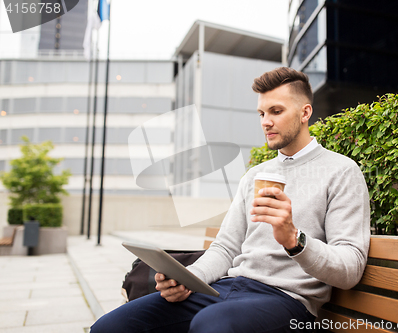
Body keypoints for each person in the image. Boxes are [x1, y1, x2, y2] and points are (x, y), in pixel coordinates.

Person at [91, 67, 370, 333]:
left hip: (287, 300)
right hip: (229, 288)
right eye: (261, 113)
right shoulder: (256, 175)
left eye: (276, 111)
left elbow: (350, 269)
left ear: (305, 112)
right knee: (111, 326)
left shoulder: (341, 171)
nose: (266, 122)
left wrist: (294, 240)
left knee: (212, 324)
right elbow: (225, 248)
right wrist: (189, 279)